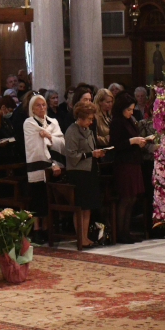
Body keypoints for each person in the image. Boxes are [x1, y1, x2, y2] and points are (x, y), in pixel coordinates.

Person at [64, 100, 106, 248]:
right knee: (80, 207)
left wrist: (97, 153)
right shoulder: (72, 131)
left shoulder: (88, 130)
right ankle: (79, 238)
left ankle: (85, 237)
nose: (91, 121)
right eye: (88, 118)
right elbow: (71, 155)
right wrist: (90, 154)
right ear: (80, 117)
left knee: (88, 207)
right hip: (78, 173)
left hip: (90, 171)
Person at [23, 94, 64, 237]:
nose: (42, 107)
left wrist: (49, 136)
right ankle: (37, 229)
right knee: (37, 198)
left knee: (49, 198)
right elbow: (35, 146)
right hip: (38, 165)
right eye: (38, 105)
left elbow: (61, 142)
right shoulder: (29, 123)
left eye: (44, 104)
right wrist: (50, 164)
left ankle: (47, 228)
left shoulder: (53, 122)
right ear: (32, 109)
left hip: (54, 166)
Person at [109, 92, 148, 244]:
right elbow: (115, 145)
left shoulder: (129, 121)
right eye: (129, 109)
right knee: (125, 198)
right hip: (124, 164)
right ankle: (120, 233)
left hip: (134, 162)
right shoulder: (117, 122)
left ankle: (127, 231)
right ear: (121, 108)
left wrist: (140, 142)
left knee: (133, 198)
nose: (131, 112)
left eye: (132, 109)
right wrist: (132, 141)